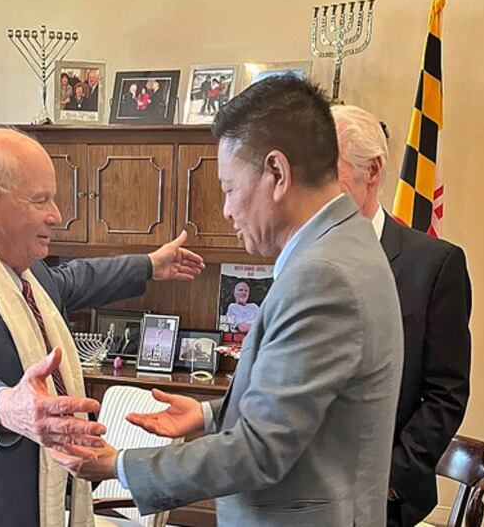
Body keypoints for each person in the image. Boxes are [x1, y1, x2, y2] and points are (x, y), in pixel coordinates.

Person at [51, 75, 404, 526]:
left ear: (277, 173)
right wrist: (206, 413)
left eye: (230, 188)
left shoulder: (323, 274)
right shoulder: (346, 244)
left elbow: (260, 450)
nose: (226, 210)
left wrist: (119, 465)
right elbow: (306, 406)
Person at [0, 128, 205, 527]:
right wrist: (8, 405)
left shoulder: (27, 275)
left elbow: (75, 278)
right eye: (40, 200)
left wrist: (148, 265)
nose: (56, 215)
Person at [332, 104, 472, 527]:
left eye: (326, 169)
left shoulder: (435, 266)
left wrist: (389, 479)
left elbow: (446, 393)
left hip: (380, 499)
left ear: (371, 171)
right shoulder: (300, 257)